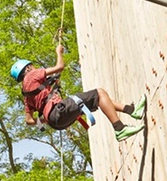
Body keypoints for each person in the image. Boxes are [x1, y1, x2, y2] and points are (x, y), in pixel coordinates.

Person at [10, 44, 146, 141]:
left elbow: (28, 120)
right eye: (31, 66)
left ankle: (131, 110)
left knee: (98, 101)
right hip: (58, 111)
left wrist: (46, 118)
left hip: (56, 122)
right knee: (100, 93)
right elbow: (60, 67)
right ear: (27, 68)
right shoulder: (32, 75)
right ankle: (120, 129)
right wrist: (59, 52)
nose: (34, 67)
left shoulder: (27, 96)